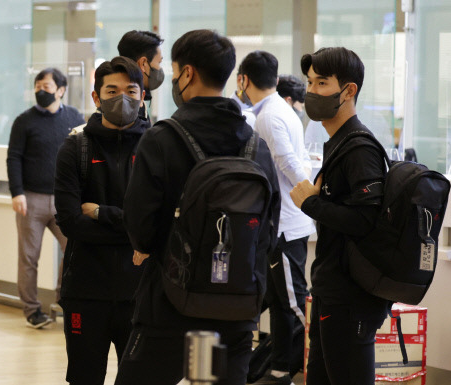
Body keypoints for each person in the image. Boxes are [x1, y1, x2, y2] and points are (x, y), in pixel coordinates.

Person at [116, 29, 281, 385]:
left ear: (187, 73)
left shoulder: (160, 138)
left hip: (171, 303)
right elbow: (269, 228)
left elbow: (141, 230)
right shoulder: (256, 145)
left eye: (174, 71)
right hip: (237, 307)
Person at [289, 47, 390, 385]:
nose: (311, 92)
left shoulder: (360, 149)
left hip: (351, 297)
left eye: (321, 83)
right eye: (309, 82)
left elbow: (366, 222)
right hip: (331, 288)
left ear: (349, 91)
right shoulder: (337, 142)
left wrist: (310, 204)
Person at [54, 56, 149, 385]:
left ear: (142, 95)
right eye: (112, 90)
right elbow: (69, 222)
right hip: (85, 291)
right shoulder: (75, 147)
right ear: (96, 97)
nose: (122, 98)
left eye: (131, 90)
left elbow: (160, 221)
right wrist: (134, 231)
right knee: (84, 377)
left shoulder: (156, 147)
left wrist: (100, 212)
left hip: (141, 294)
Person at [238, 51, 314, 385]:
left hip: (284, 225)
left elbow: (290, 165)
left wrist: (309, 196)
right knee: (278, 300)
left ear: (243, 80)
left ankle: (288, 369)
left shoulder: (268, 117)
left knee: (293, 305)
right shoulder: (281, 111)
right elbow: (300, 162)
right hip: (286, 223)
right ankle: (274, 368)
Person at [6, 68, 85, 328]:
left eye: (47, 86)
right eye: (38, 85)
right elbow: (14, 157)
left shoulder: (74, 117)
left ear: (61, 90)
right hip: (31, 199)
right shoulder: (24, 120)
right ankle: (32, 310)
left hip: (65, 200)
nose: (41, 90)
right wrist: (17, 192)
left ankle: (65, 300)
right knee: (29, 257)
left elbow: (82, 154)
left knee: (74, 251)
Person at [117, 30, 164, 122]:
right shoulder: (131, 106)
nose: (160, 68)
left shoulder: (122, 100)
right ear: (143, 63)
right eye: (159, 62)